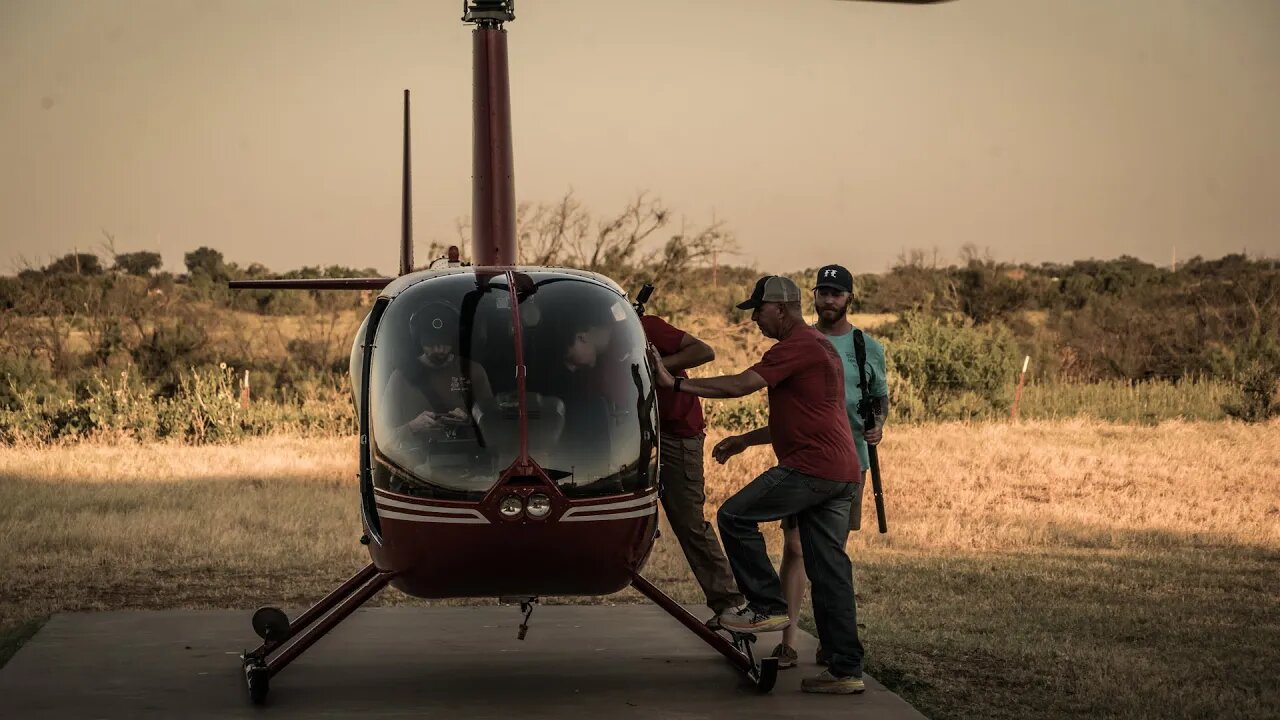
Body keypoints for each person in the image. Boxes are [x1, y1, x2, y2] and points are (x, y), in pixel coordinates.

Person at [647, 275, 867, 695]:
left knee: (733, 516)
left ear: (780, 309)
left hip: (812, 469)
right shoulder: (822, 348)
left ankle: (766, 606)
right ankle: (846, 670)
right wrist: (747, 440)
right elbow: (809, 415)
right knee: (830, 571)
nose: (754, 319)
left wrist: (674, 383)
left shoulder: (796, 346)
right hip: (842, 473)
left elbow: (740, 385)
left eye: (758, 310)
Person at [773, 264, 890, 669]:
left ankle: (830, 641)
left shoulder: (866, 346)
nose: (828, 300)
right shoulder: (800, 340)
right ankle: (787, 640)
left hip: (848, 463)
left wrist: (878, 426)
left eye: (835, 294)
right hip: (802, 461)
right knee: (794, 548)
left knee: (830, 555)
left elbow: (878, 396)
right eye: (822, 292)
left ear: (849, 298)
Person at [640, 312, 745, 619]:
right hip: (637, 433)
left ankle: (730, 603)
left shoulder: (647, 326)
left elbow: (704, 350)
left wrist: (655, 368)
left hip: (677, 432)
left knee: (688, 520)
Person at [382, 300, 493, 443]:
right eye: (430, 344)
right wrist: (411, 428)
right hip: (414, 462)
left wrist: (469, 421)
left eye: (444, 343)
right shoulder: (400, 378)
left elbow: (493, 427)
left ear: (453, 339)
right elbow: (381, 437)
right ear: (419, 341)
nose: (438, 350)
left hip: (470, 459)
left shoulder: (474, 371)